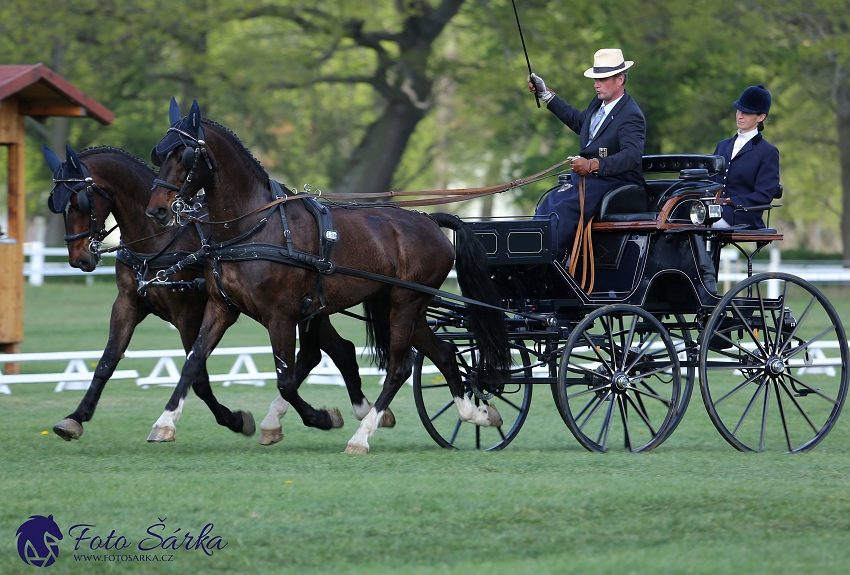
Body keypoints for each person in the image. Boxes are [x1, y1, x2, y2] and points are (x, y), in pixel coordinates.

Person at [529, 48, 646, 263]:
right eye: (595, 78)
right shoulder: (599, 103)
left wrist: (593, 165)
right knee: (549, 203)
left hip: (615, 181)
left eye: (601, 78)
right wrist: (546, 95)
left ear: (620, 79)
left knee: (564, 208)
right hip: (590, 179)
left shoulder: (631, 115)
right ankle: (535, 258)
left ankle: (555, 264)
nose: (596, 84)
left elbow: (631, 156)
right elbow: (580, 123)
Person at [711, 84, 780, 229]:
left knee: (701, 223)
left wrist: (731, 200)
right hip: (713, 210)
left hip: (743, 214)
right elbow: (709, 181)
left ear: (761, 117)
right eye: (739, 110)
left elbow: (764, 195)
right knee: (679, 218)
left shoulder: (767, 152)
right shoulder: (722, 146)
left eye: (747, 113)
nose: (740, 116)